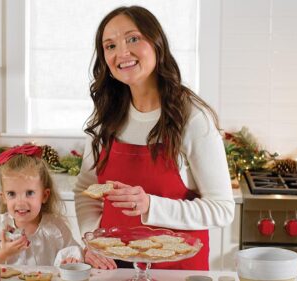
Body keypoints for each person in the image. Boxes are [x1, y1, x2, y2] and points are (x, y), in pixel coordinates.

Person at [73, 6, 235, 271]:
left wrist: (150, 205)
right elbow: (85, 191)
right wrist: (92, 239)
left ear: (157, 43)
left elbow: (222, 209)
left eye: (133, 38)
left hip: (179, 271)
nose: (122, 52)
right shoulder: (106, 117)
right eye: (110, 45)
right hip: (114, 269)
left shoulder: (192, 118)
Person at [0, 144, 83, 266]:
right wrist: (4, 253)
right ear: (3, 197)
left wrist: (70, 261)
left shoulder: (55, 228)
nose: (21, 202)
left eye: (29, 193)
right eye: (12, 194)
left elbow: (74, 252)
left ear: (44, 195)